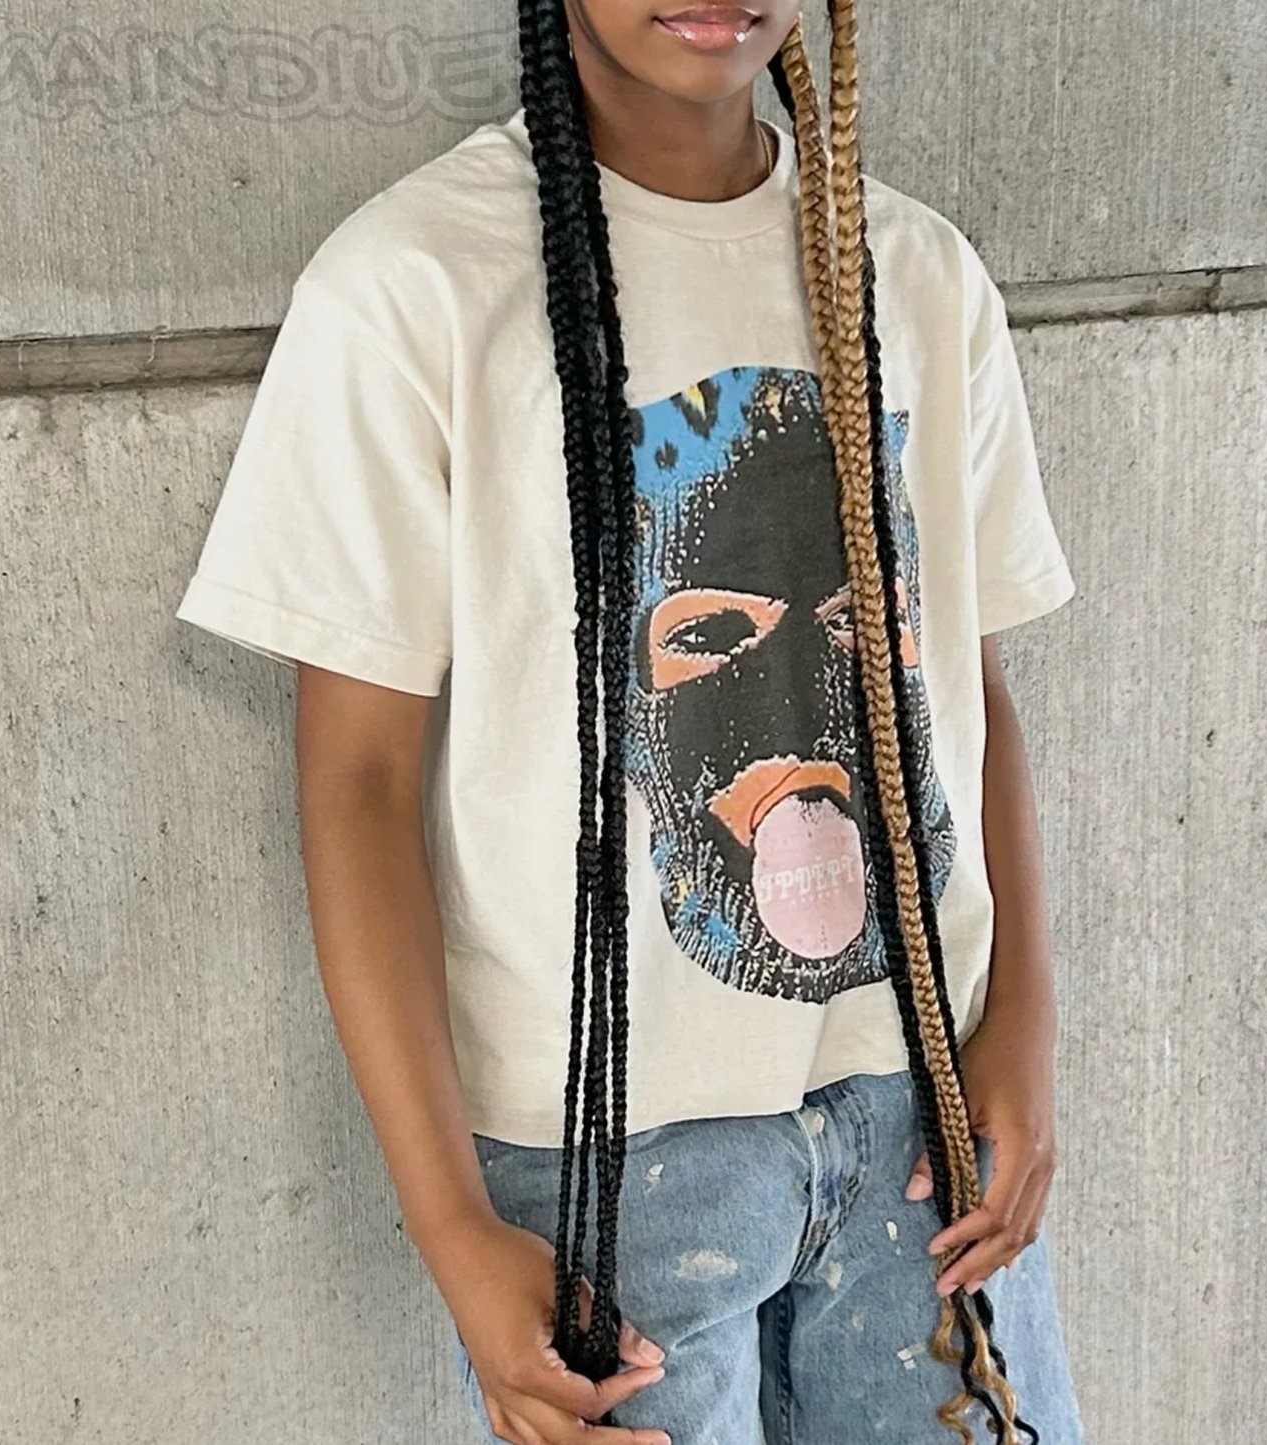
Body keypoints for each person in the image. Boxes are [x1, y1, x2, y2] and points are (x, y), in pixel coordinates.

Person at [173, 1, 1087, 1441]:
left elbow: (961, 688)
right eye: (710, 638)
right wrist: (451, 1222)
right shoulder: (415, 285)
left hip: (922, 1131)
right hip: (603, 1177)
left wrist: (1024, 1019)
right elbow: (357, 779)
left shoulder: (915, 274)